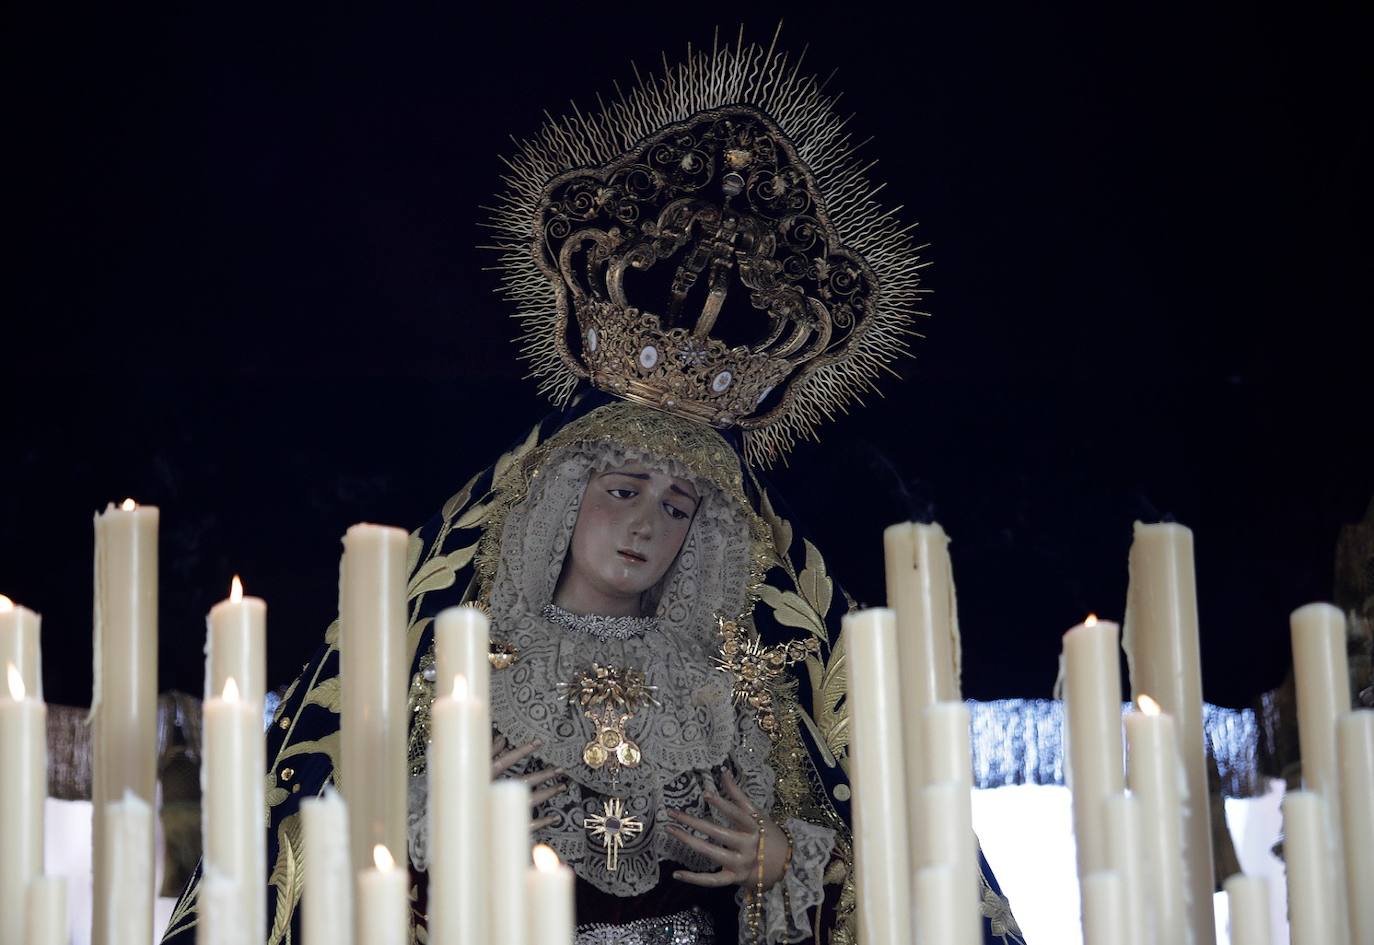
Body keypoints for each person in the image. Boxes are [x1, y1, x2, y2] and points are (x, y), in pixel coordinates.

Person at [162, 27, 1023, 945]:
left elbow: (841, 858)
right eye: (621, 489)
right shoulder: (458, 664)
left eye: (678, 505)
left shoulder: (731, 677)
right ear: (560, 494)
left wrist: (784, 859)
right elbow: (334, 842)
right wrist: (432, 836)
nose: (646, 523)